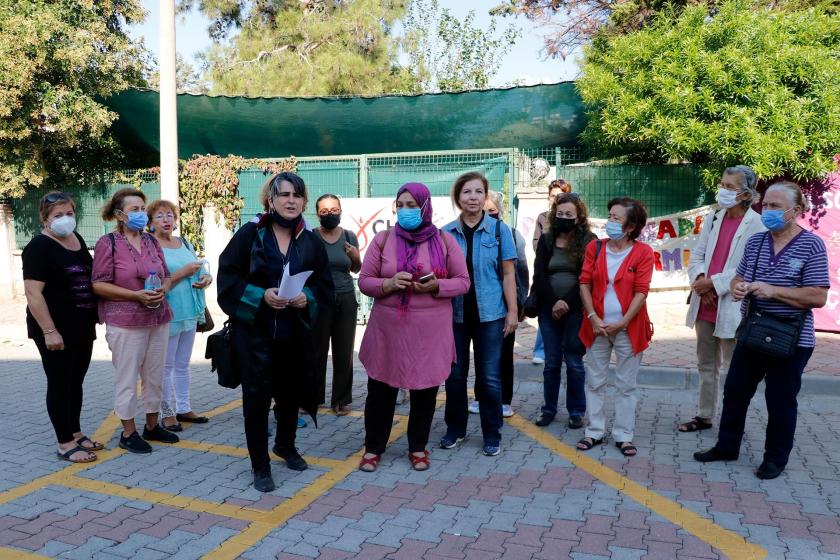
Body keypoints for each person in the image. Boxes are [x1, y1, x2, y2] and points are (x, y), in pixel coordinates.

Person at [694, 182, 829, 479]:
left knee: (780, 400)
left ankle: (775, 459)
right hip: (753, 329)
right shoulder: (756, 241)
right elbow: (738, 278)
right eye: (765, 205)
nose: (767, 211)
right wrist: (738, 287)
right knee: (735, 391)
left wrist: (774, 291)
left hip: (791, 337)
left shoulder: (812, 245)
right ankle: (727, 447)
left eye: (775, 206)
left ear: (795, 211)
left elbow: (818, 296)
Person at [217, 172, 334, 492]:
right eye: (284, 195)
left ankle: (285, 445)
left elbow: (323, 285)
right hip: (254, 332)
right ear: (270, 200)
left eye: (297, 195)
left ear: (304, 201)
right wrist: (261, 295)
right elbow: (227, 279)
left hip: (294, 332)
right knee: (256, 397)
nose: (291, 200)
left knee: (290, 392)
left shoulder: (310, 241)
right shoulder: (249, 235)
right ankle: (260, 465)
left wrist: (304, 297)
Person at [357, 183, 469, 472]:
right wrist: (389, 284)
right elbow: (365, 280)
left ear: (425, 207)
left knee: (425, 392)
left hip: (430, 333)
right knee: (380, 391)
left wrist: (436, 286)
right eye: (401, 204)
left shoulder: (444, 240)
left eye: (412, 205)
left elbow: (463, 281)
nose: (405, 210)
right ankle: (373, 448)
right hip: (388, 331)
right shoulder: (383, 239)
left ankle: (417, 447)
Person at [92, 188, 179, 454]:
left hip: (157, 317)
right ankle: (128, 433)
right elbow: (98, 284)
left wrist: (163, 290)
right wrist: (135, 295)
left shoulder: (152, 241)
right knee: (127, 378)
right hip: (125, 321)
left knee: (154, 376)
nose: (142, 214)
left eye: (143, 209)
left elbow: (165, 274)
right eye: (135, 210)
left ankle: (152, 426)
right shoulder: (109, 243)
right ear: (119, 214)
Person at [680, 166, 765, 433]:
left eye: (729, 187)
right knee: (705, 364)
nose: (723, 190)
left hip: (730, 304)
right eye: (722, 184)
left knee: (732, 368)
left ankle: (731, 422)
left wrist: (713, 286)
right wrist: (702, 284)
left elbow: (746, 267)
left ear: (745, 193)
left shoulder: (757, 224)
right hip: (705, 302)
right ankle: (704, 416)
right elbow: (697, 256)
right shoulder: (714, 218)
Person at [441, 172, 519, 457]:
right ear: (458, 197)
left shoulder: (500, 231)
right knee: (455, 376)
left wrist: (513, 312)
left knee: (489, 378)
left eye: (478, 192)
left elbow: (509, 274)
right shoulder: (446, 233)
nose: (472, 197)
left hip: (491, 315)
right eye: (466, 192)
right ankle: (455, 429)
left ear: (486, 196)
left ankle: (492, 433)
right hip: (455, 316)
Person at [23, 191, 101, 463]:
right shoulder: (38, 247)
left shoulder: (76, 239)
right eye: (58, 215)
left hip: (81, 325)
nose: (66, 219)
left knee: (75, 382)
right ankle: (64, 442)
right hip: (54, 328)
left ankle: (76, 432)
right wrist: (49, 331)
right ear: (45, 219)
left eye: (69, 213)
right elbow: (33, 294)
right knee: (59, 383)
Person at [577, 197, 654, 457]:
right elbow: (584, 283)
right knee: (595, 381)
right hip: (596, 327)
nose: (610, 222)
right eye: (610, 216)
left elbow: (642, 292)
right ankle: (594, 431)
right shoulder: (595, 248)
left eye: (616, 218)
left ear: (631, 226)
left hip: (628, 328)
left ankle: (624, 435)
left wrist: (622, 322)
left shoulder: (643, 252)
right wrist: (592, 318)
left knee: (626, 385)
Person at [147, 200, 213, 432]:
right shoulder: (149, 245)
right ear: (150, 223)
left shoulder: (183, 242)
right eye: (160, 216)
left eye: (170, 215)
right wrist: (183, 273)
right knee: (165, 366)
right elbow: (154, 281)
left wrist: (206, 279)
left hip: (190, 311)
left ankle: (183, 407)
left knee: (182, 364)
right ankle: (167, 413)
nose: (166, 220)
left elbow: (200, 270)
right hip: (168, 312)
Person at [532, 193, 596, 429]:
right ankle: (548, 409)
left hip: (577, 309)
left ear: (579, 217)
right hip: (548, 309)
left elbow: (587, 278)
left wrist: (566, 303)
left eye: (569, 214)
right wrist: (554, 302)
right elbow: (539, 274)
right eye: (560, 214)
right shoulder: (547, 240)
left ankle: (576, 411)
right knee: (551, 362)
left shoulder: (590, 241)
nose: (564, 217)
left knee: (574, 361)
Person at [468, 191, 528, 418]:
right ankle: (480, 396)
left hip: (505, 304)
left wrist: (519, 306)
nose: (488, 215)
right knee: (482, 355)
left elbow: (521, 273)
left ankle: (504, 400)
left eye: (492, 211)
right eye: (485, 211)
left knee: (503, 354)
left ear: (500, 211)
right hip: (480, 305)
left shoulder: (511, 234)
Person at [312, 194, 362, 416]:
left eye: (334, 210)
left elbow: (356, 269)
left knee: (343, 352)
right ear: (317, 214)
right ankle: (312, 398)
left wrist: (355, 255)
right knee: (316, 351)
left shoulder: (349, 236)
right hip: (319, 300)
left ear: (341, 210)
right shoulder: (310, 237)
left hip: (346, 299)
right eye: (324, 211)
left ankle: (341, 400)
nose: (329, 214)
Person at [531, 179, 572, 364]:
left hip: (570, 288)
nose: (555, 200)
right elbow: (536, 243)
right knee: (546, 312)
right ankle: (540, 351)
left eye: (559, 196)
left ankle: (564, 350)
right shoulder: (543, 218)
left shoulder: (574, 221)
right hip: (547, 276)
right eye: (552, 196)